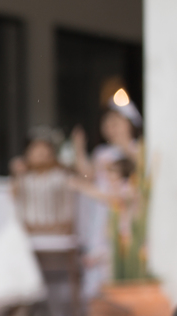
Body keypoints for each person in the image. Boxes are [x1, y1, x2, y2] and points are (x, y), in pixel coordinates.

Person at [73, 99, 142, 300]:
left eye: (116, 123)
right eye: (107, 124)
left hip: (121, 209)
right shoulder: (102, 152)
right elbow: (89, 175)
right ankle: (98, 298)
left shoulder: (137, 149)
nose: (111, 128)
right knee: (98, 249)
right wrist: (78, 149)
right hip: (101, 210)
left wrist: (125, 145)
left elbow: (141, 175)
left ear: (129, 125)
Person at [10, 128, 80, 316]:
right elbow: (12, 201)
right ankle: (17, 301)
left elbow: (69, 208)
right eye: (36, 150)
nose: (40, 155)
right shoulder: (24, 178)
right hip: (29, 232)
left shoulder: (62, 176)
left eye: (44, 151)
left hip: (56, 231)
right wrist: (16, 175)